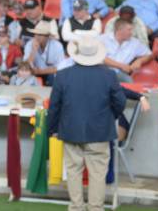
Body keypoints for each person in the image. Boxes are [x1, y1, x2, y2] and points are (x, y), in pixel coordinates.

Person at [46, 34, 126, 211]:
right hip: (99, 131)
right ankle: (95, 208)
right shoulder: (109, 75)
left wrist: (51, 129)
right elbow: (120, 102)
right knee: (98, 174)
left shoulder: (63, 75)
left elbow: (54, 107)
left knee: (73, 171)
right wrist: (108, 117)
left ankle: (76, 207)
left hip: (71, 130)